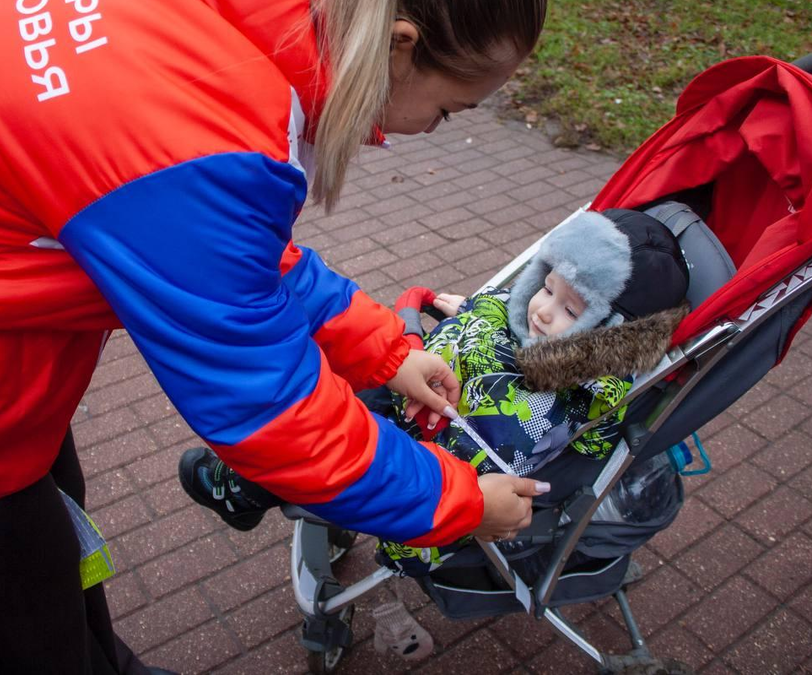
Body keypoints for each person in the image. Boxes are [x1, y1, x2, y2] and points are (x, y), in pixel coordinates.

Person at [0, 0, 549, 672]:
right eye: (449, 109)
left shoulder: (226, 5)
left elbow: (215, 248)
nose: (433, 130)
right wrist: (459, 502)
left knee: (50, 558)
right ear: (401, 45)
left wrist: (385, 350)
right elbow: (273, 415)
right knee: (11, 627)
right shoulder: (193, 129)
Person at [181, 209, 690, 575]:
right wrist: (475, 313)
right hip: (420, 403)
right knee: (327, 387)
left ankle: (247, 486)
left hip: (438, 473)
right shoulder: (526, 325)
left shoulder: (551, 408)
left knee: (336, 423)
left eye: (572, 310)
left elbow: (481, 466)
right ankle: (255, 474)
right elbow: (505, 322)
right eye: (545, 286)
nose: (541, 309)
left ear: (608, 337)